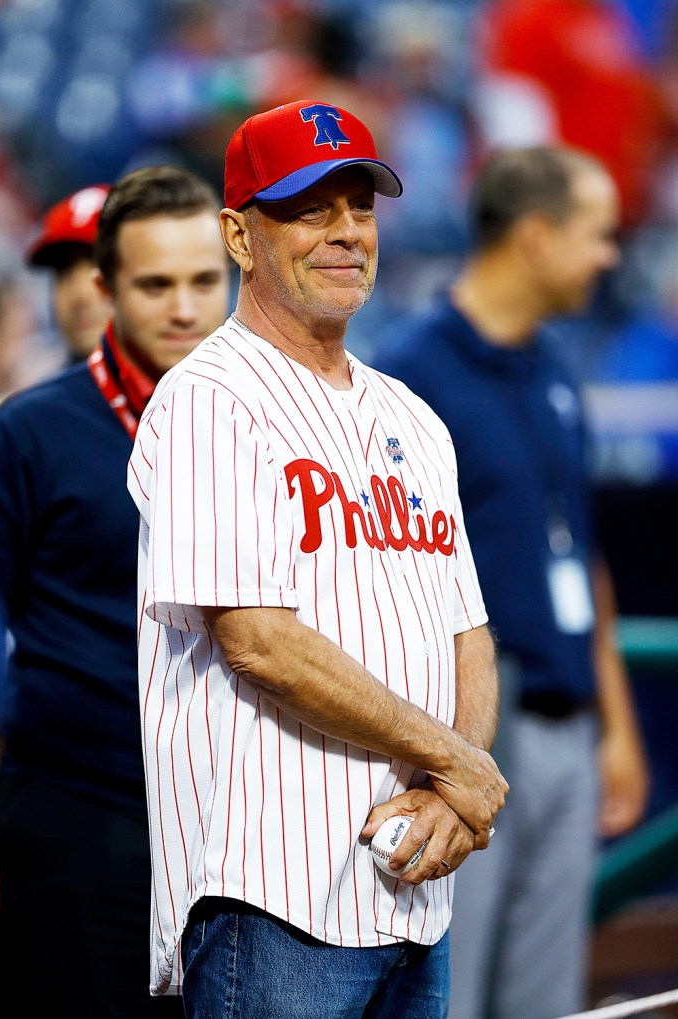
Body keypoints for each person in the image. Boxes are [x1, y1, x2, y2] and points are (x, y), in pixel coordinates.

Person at [127, 99, 509, 1019]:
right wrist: (457, 764)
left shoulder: (412, 417)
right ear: (240, 235)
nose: (345, 232)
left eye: (361, 207)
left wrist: (454, 794)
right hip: (273, 898)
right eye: (308, 207)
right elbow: (259, 639)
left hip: (418, 887)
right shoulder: (206, 401)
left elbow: (470, 633)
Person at [372, 145, 650, 1019]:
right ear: (535, 235)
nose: (610, 256)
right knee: (456, 986)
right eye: (596, 234)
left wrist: (619, 724)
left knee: (546, 995)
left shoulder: (555, 366)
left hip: (567, 716)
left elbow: (583, 553)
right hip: (472, 723)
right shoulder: (411, 374)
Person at [0, 165, 231, 1019]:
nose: (183, 307)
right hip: (80, 817)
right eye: (155, 284)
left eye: (204, 281)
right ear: (106, 287)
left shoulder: (272, 429)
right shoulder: (30, 431)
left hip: (235, 830)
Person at [26, 184, 114, 362]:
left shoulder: (182, 385)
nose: (80, 295)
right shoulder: (41, 389)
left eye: (102, 268)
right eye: (63, 272)